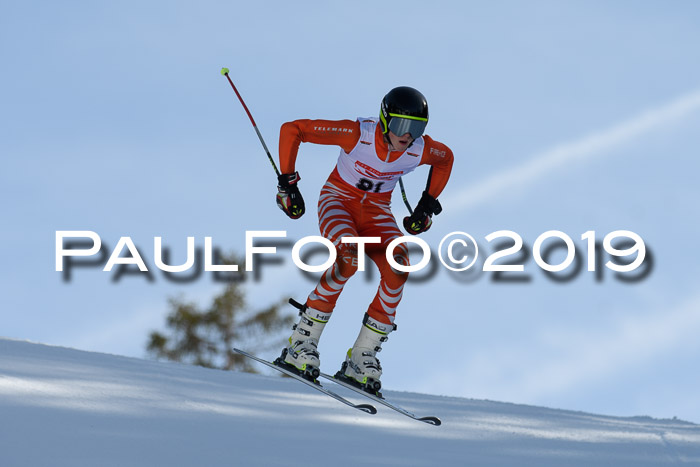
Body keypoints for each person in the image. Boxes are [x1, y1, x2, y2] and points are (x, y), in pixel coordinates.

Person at [273, 86, 454, 394]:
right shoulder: (358, 134)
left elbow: (445, 159)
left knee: (400, 267)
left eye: (417, 128)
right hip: (338, 202)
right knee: (348, 259)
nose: (407, 135)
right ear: (385, 120)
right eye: (400, 125)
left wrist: (426, 205)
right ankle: (302, 342)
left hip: (376, 212)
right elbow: (294, 130)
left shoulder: (420, 149)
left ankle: (362, 356)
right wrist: (288, 185)